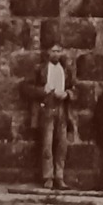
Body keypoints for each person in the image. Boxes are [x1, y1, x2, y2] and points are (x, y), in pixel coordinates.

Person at [35, 46, 75, 189]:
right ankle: (48, 177)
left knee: (62, 145)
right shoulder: (41, 69)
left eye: (59, 51)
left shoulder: (66, 71)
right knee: (47, 144)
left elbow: (74, 89)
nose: (56, 54)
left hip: (62, 110)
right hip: (47, 109)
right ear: (48, 52)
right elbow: (25, 87)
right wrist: (42, 90)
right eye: (53, 51)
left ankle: (59, 176)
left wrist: (67, 94)